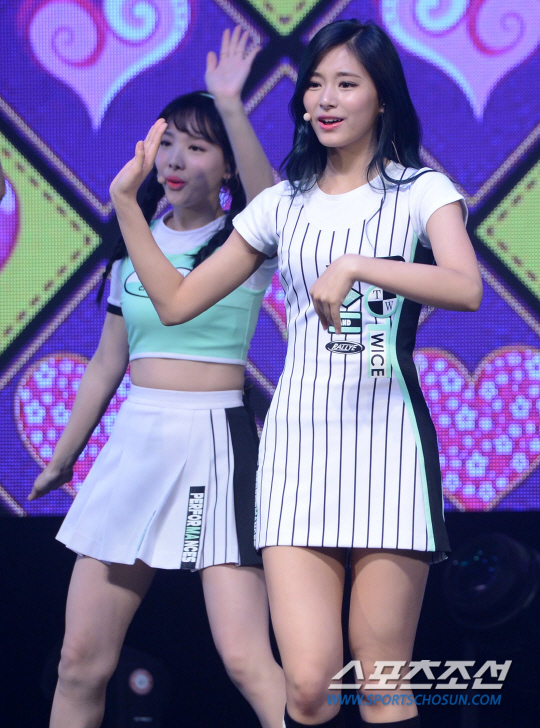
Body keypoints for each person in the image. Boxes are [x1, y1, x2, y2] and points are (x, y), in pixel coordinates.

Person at [108, 19, 483, 728]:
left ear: (382, 97)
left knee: (382, 683)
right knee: (308, 688)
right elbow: (176, 302)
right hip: (296, 453)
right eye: (315, 84)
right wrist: (127, 205)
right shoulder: (282, 204)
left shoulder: (422, 191)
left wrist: (358, 266)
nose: (326, 99)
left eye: (346, 84)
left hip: (387, 446)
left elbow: (466, 287)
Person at [29, 27, 285, 728]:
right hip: (136, 446)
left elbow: (270, 200)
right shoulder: (129, 254)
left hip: (214, 446)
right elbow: (107, 364)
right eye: (167, 142)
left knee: (246, 660)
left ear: (226, 168)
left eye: (196, 147)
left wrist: (230, 103)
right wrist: (63, 458)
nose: (174, 159)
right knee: (80, 662)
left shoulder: (243, 240)